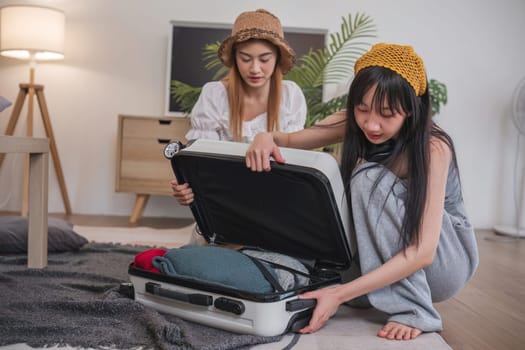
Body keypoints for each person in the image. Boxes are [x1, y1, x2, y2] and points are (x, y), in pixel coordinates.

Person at [245, 43, 479, 340]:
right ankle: (371, 289)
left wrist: (341, 294)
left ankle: (414, 310)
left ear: (411, 108)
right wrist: (265, 137)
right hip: (389, 253)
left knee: (365, 178)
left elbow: (423, 252)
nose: (371, 123)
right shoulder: (359, 123)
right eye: (362, 109)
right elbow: (292, 139)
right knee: (315, 260)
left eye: (387, 113)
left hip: (444, 262)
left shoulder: (433, 147)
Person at [171, 9, 307, 212]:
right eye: (245, 58)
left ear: (277, 58)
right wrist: (186, 188)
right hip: (224, 203)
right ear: (234, 58)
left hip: (277, 203)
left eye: (264, 59)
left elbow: (295, 165)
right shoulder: (214, 95)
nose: (254, 69)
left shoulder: (291, 96)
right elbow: (201, 166)